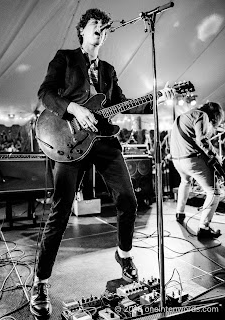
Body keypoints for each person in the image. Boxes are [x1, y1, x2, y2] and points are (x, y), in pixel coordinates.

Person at [30, 8, 175, 318]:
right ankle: (40, 282)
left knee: (128, 199)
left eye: (104, 28)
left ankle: (124, 256)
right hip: (70, 141)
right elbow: (45, 93)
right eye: (95, 26)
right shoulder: (66, 59)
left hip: (104, 141)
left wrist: (157, 98)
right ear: (83, 30)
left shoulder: (108, 70)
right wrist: (72, 108)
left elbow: (125, 103)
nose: (100, 31)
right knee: (60, 210)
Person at [170, 101, 224, 240]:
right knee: (214, 192)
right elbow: (202, 140)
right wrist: (216, 156)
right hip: (191, 160)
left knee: (185, 182)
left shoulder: (182, 116)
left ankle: (179, 213)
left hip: (177, 160)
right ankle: (204, 228)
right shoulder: (201, 115)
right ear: (216, 114)